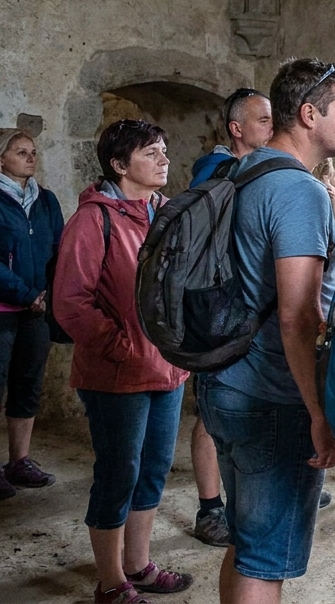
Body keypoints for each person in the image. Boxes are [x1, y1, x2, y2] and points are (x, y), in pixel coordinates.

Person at [195, 58, 335, 604]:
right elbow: (298, 315)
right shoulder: (299, 192)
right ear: (309, 115)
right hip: (272, 397)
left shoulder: (240, 173)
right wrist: (319, 411)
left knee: (244, 543)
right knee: (265, 561)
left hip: (224, 380)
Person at [54, 119, 194, 604]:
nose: (163, 160)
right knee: (119, 472)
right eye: (151, 153)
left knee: (154, 468)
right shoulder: (94, 220)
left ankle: (138, 564)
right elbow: (71, 302)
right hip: (117, 375)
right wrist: (123, 346)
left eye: (164, 150)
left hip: (166, 368)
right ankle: (111, 581)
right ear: (118, 165)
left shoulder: (164, 213)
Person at [187, 88, 274, 547]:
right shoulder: (216, 172)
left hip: (249, 314)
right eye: (263, 120)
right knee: (212, 410)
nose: (272, 127)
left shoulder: (258, 171)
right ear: (237, 129)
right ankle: (209, 509)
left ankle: (260, 491)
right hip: (219, 312)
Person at [0, 128, 63, 500]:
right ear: (1, 159)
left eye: (33, 151)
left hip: (36, 308)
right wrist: (26, 294)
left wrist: (50, 293)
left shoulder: (46, 200)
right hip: (5, 307)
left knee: (28, 384)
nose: (30, 157)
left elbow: (60, 248)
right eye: (21, 151)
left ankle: (19, 461)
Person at [190, 88, 274, 185]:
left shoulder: (269, 166)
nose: (273, 128)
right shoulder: (214, 174)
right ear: (237, 129)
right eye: (264, 122)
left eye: (274, 121)